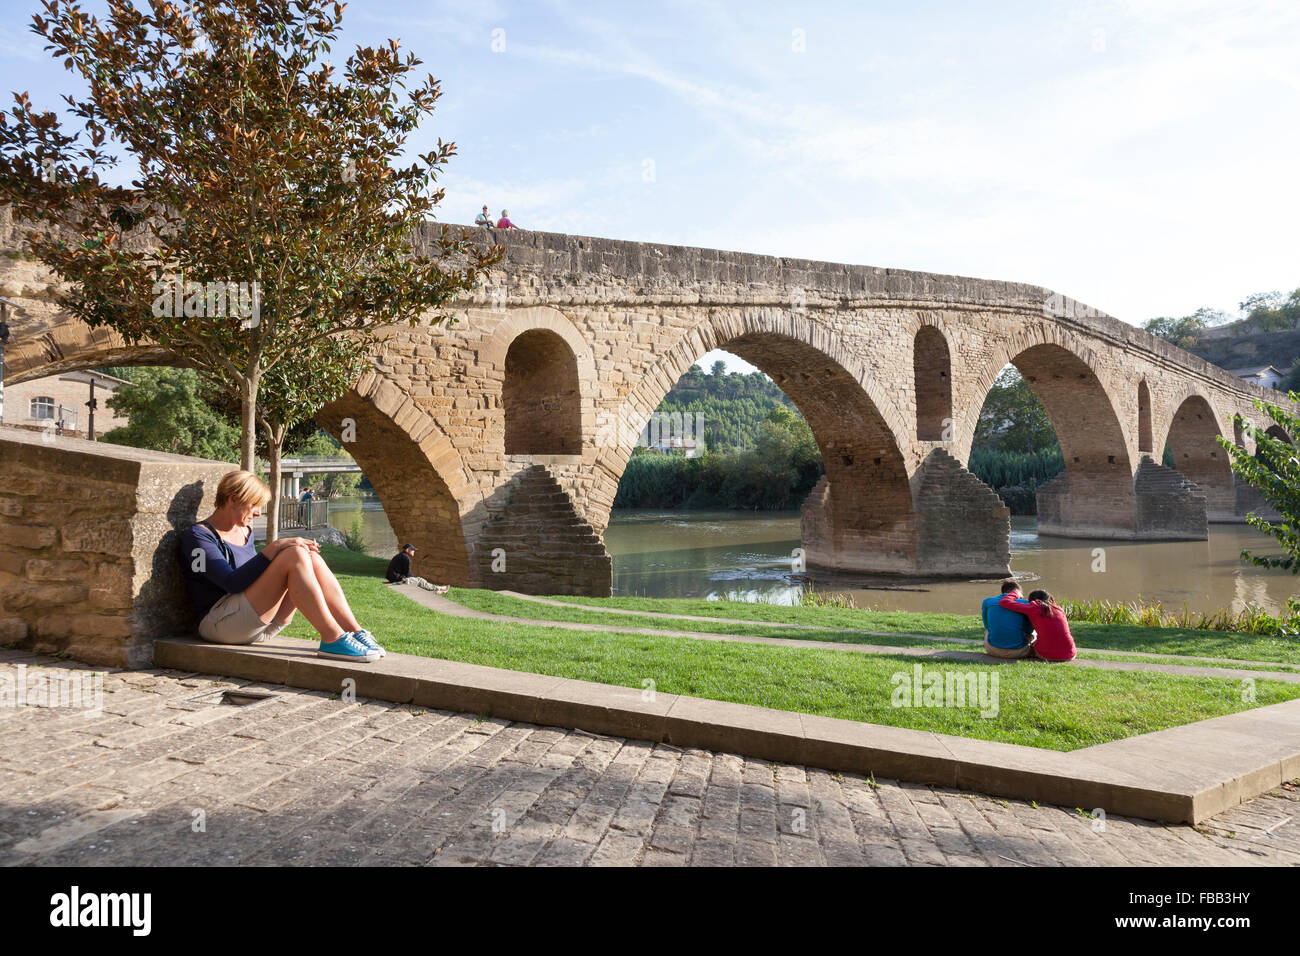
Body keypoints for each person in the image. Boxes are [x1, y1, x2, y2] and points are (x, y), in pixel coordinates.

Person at [177, 470, 385, 662]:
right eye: (254, 505)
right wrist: (275, 546)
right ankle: (332, 638)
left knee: (308, 554)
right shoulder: (198, 537)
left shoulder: (244, 531)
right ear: (233, 499)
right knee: (293, 553)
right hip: (220, 625)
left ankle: (355, 631)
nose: (258, 513)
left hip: (260, 625)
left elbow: (255, 576)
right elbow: (231, 584)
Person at [999, 588, 1077, 662]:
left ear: (1031, 600)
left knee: (1031, 638)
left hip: (1047, 655)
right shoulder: (1058, 609)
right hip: (1070, 654)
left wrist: (1014, 593)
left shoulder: (1033, 607)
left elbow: (1004, 602)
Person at [981, 579, 1036, 659]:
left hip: (992, 650)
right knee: (1034, 633)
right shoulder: (1026, 604)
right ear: (1018, 592)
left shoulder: (987, 602)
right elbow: (1029, 630)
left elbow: (987, 625)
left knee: (987, 630)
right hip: (1019, 652)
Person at [385, 543, 449, 594]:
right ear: (407, 550)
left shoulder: (399, 555)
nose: (414, 552)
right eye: (413, 550)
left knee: (418, 579)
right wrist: (416, 577)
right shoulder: (406, 558)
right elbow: (408, 574)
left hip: (392, 579)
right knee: (420, 580)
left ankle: (438, 589)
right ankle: (438, 589)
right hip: (397, 580)